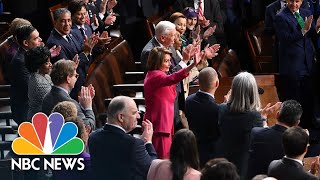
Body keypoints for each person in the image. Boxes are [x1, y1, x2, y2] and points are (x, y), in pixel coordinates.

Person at [215, 72, 281, 179]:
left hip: (223, 162)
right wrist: (263, 118)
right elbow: (263, 140)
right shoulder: (254, 116)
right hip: (243, 166)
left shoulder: (222, 108)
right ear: (252, 92)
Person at [144, 46, 202, 159]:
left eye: (169, 60)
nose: (169, 64)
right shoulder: (156, 76)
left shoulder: (158, 75)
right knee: (161, 161)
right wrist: (192, 64)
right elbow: (173, 78)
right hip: (159, 126)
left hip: (165, 124)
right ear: (157, 62)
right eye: (166, 61)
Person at [274, 0, 320, 128]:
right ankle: (295, 129)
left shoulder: (306, 12)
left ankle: (310, 128)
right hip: (292, 66)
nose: (294, 4)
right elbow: (286, 39)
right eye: (291, 1)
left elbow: (310, 35)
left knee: (309, 97)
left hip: (308, 64)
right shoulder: (280, 17)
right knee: (295, 99)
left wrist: (316, 28)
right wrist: (302, 31)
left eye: (297, 1)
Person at [88, 96, 157, 179]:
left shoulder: (93, 137)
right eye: (134, 113)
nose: (138, 116)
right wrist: (148, 142)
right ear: (121, 117)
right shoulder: (133, 144)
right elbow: (153, 169)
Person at [46, 8, 98, 99]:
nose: (67, 24)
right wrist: (85, 52)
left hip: (84, 82)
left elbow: (83, 52)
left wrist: (91, 48)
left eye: (69, 20)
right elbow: (66, 70)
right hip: (72, 91)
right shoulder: (53, 43)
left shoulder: (72, 34)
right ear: (55, 23)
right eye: (63, 21)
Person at [247, 100, 302, 179]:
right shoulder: (295, 145)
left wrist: (263, 118)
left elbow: (266, 132)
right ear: (297, 123)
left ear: (277, 115)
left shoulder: (255, 133)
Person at [41, 59, 96, 131]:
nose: (76, 78)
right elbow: (88, 127)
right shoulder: (71, 103)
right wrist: (88, 107)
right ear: (68, 79)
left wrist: (81, 105)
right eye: (76, 75)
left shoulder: (47, 96)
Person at [185, 67, 220, 167]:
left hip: (193, 150)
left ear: (198, 82)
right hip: (211, 155)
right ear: (217, 84)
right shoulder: (217, 108)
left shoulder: (189, 100)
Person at [10, 25, 43, 125]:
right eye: (36, 38)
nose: (40, 40)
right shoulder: (20, 61)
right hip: (26, 111)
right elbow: (33, 88)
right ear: (25, 43)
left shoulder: (28, 55)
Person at [25, 46, 53, 120]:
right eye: (47, 63)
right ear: (38, 65)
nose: (51, 65)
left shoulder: (43, 74)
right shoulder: (39, 83)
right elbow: (55, 100)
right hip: (40, 122)